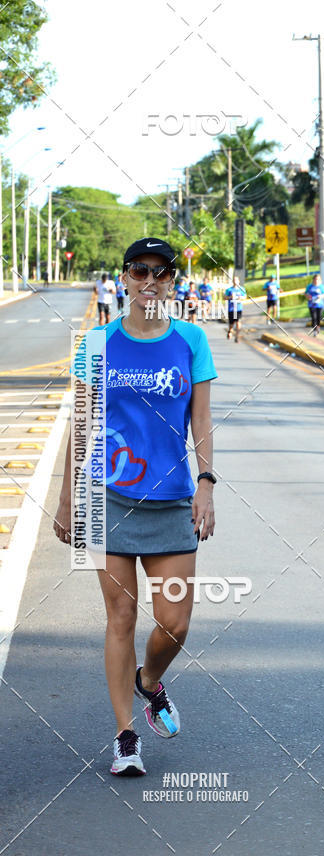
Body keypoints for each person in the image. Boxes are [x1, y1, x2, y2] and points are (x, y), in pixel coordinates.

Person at [53, 237, 217, 777]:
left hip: (171, 502)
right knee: (120, 615)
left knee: (175, 623)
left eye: (161, 273)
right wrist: (67, 498)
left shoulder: (192, 340)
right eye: (140, 270)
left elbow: (200, 421)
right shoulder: (96, 343)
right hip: (108, 499)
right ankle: (125, 735)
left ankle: (149, 681)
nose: (150, 281)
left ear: (173, 282)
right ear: (123, 277)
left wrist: (206, 483)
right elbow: (81, 423)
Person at [224, 275, 246, 342]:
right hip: (231, 309)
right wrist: (230, 297)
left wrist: (240, 298)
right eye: (234, 280)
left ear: (238, 281)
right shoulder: (229, 290)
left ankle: (237, 336)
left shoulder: (241, 289)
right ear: (232, 281)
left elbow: (245, 297)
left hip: (238, 308)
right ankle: (230, 331)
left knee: (238, 322)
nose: (235, 281)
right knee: (231, 324)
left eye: (236, 280)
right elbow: (225, 297)